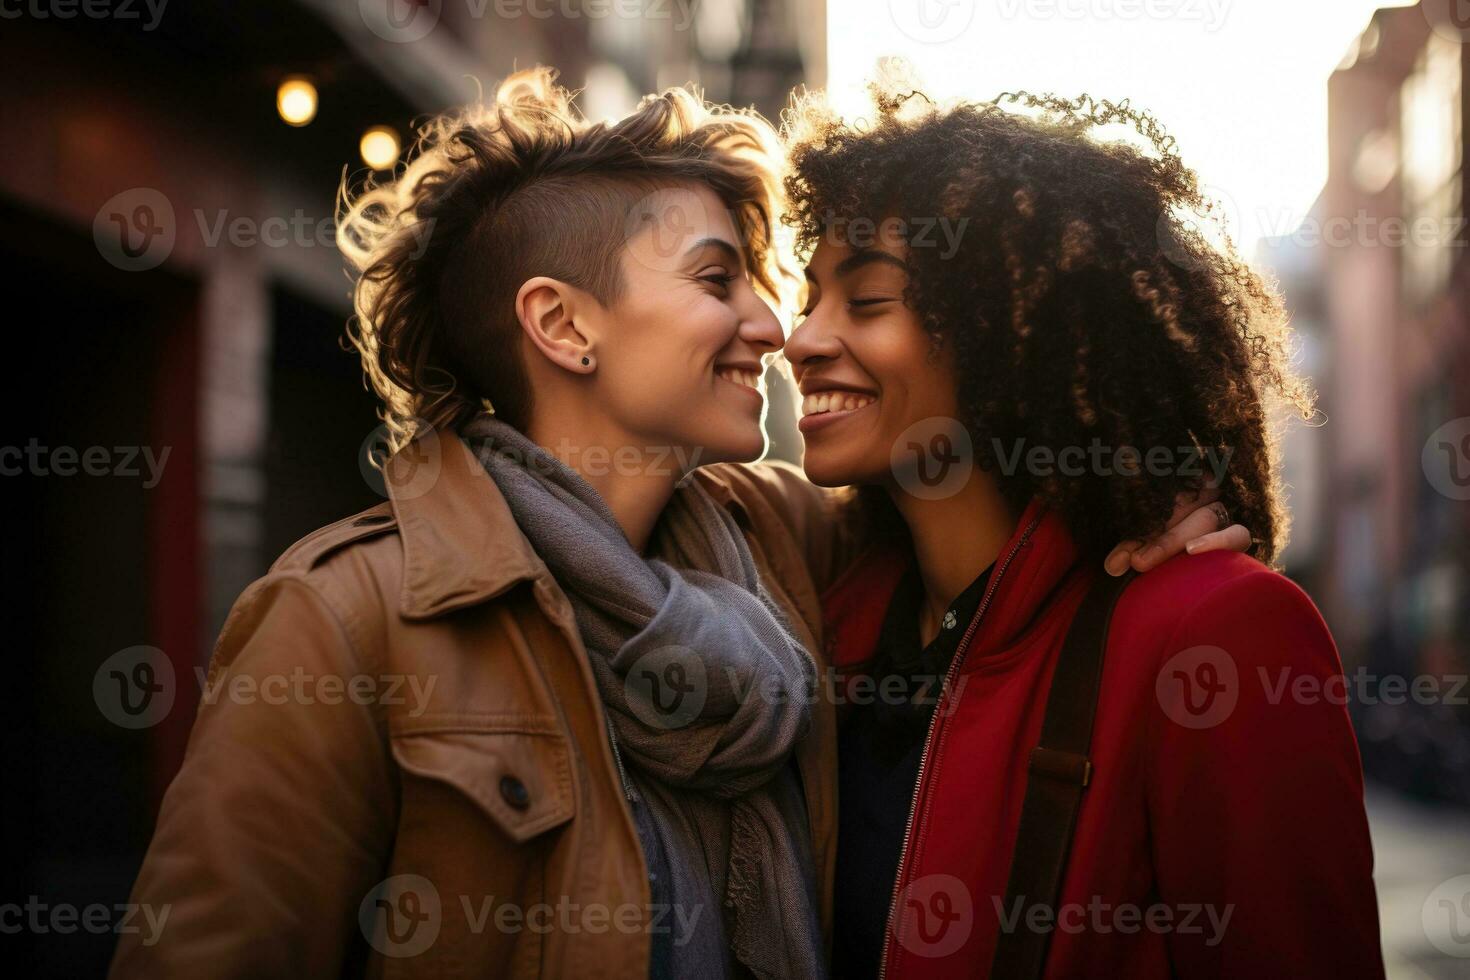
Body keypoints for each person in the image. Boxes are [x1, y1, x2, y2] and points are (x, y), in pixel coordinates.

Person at [109, 69, 1243, 979]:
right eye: (719, 279)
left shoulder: (795, 549)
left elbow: (1004, 511)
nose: (771, 324)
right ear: (562, 324)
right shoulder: (342, 620)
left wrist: (1155, 498)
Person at [780, 82, 1384, 978]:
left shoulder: (1213, 635)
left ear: (1007, 337)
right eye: (810, 296)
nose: (802, 339)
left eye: (866, 301)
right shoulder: (823, 620)